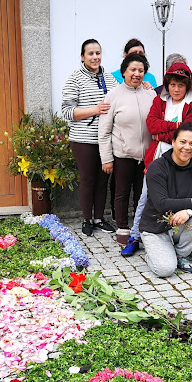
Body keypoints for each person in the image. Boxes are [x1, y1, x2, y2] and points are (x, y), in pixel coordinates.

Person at [121, 62, 192, 257]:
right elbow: (151, 125)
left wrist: (163, 133)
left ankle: (172, 237)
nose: (176, 89)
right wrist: (174, 126)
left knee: (175, 196)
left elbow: (189, 132)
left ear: (188, 85)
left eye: (180, 85)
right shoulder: (159, 100)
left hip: (182, 157)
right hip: (157, 156)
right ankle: (135, 236)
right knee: (145, 196)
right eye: (172, 84)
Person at [139, 122, 192, 277]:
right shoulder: (157, 167)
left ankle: (180, 254)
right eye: (182, 142)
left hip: (181, 225)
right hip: (155, 227)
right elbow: (161, 204)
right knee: (165, 270)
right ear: (173, 142)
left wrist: (188, 211)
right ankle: (154, 253)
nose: (187, 147)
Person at [61, 39, 118, 236]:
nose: (95, 57)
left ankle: (99, 218)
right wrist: (94, 110)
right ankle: (87, 219)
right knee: (87, 180)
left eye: (98, 53)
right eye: (91, 53)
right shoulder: (75, 78)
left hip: (106, 139)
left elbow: (122, 96)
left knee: (103, 180)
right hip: (83, 139)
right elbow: (67, 111)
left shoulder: (109, 78)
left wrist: (144, 85)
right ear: (82, 56)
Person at [99, 53, 156, 245]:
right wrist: (106, 158)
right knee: (122, 192)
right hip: (123, 153)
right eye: (133, 70)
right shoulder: (113, 95)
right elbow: (104, 131)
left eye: (141, 71)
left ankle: (140, 226)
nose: (137, 74)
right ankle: (122, 226)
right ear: (124, 71)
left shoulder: (150, 94)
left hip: (147, 155)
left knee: (143, 192)